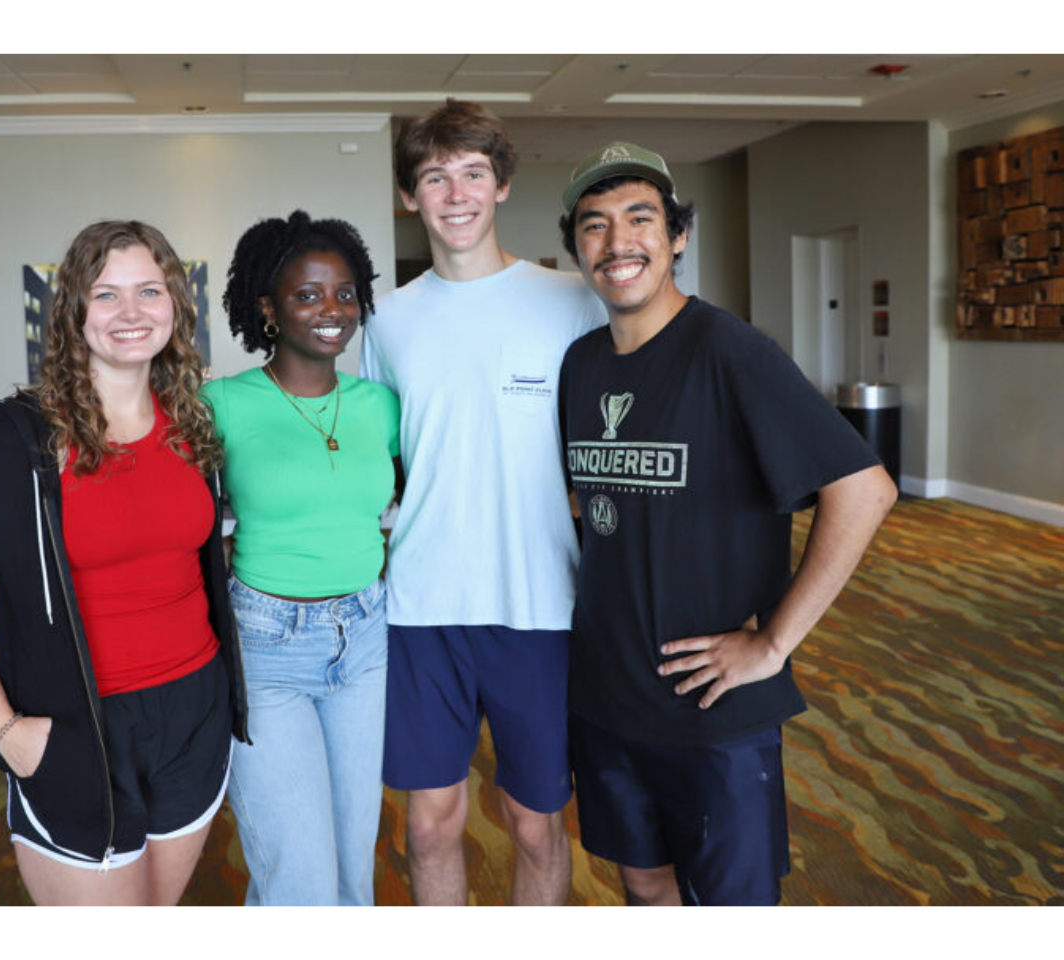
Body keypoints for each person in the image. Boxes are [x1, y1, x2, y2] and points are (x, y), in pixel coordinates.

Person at [556, 141, 898, 906]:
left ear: (677, 236)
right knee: (644, 886)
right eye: (594, 225)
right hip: (608, 696)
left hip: (713, 707)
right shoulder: (582, 364)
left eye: (640, 219)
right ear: (577, 246)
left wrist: (774, 642)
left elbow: (865, 490)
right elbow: (589, 507)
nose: (618, 243)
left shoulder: (730, 351)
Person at [0, 220, 247, 906]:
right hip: (72, 727)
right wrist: (6, 733)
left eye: (149, 291)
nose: (131, 313)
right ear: (73, 313)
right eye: (106, 294)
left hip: (192, 715)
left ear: (177, 308)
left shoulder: (192, 426)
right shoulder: (10, 442)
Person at [360, 99, 606, 906]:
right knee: (430, 823)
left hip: (541, 604)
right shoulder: (384, 321)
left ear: (501, 185)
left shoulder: (573, 300)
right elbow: (368, 457)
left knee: (534, 824)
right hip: (423, 607)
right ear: (410, 196)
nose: (455, 192)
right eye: (434, 176)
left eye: (472, 172)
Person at [202, 210, 399, 906]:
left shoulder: (380, 405)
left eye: (345, 293)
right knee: (301, 883)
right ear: (268, 307)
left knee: (352, 874)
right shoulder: (219, 403)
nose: (331, 310)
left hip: (365, 641)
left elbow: (409, 502)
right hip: (266, 648)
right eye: (308, 294)